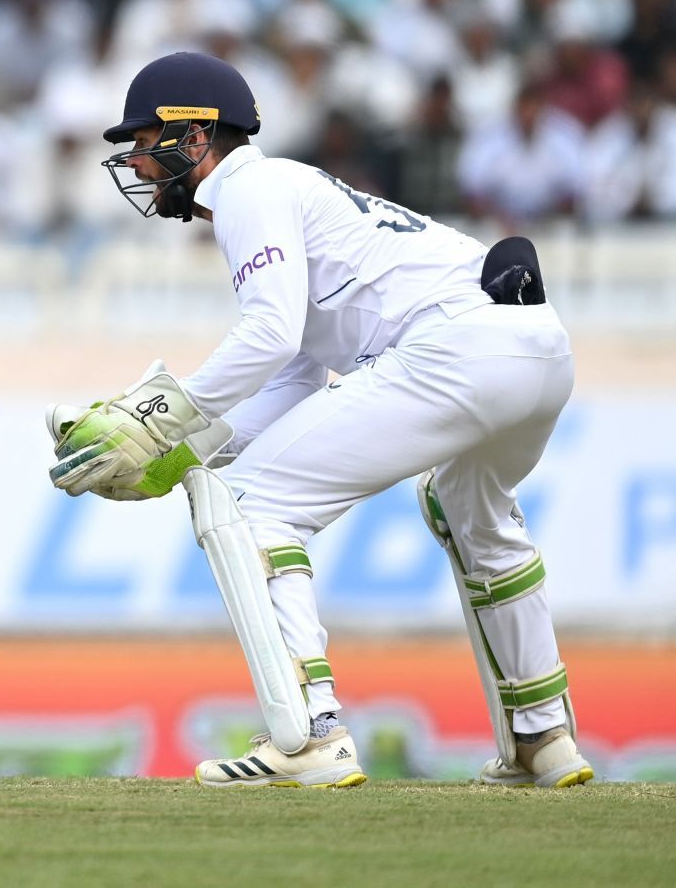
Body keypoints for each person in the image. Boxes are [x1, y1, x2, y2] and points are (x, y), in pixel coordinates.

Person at [48, 51, 592, 790]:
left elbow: (267, 336)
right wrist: (177, 451)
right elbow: (299, 370)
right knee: (470, 505)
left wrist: (152, 417)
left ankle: (311, 734)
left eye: (145, 142)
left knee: (256, 510)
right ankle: (544, 737)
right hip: (537, 349)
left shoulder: (249, 189)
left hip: (453, 348)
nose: (138, 163)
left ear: (197, 136)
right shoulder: (285, 189)